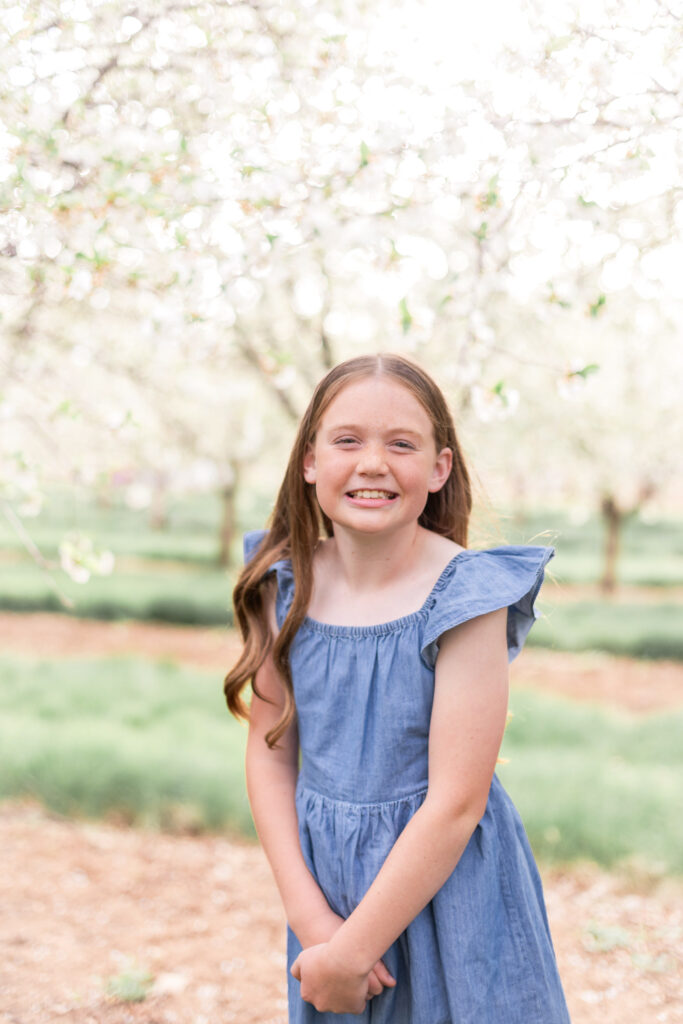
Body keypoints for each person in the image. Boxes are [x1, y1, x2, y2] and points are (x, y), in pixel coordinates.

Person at [224, 353, 571, 1023]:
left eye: (402, 444)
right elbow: (270, 756)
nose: (372, 463)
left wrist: (355, 949)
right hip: (328, 895)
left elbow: (455, 803)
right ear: (309, 460)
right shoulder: (283, 586)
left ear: (439, 468)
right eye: (347, 440)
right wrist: (317, 926)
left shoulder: (466, 596)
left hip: (450, 897)